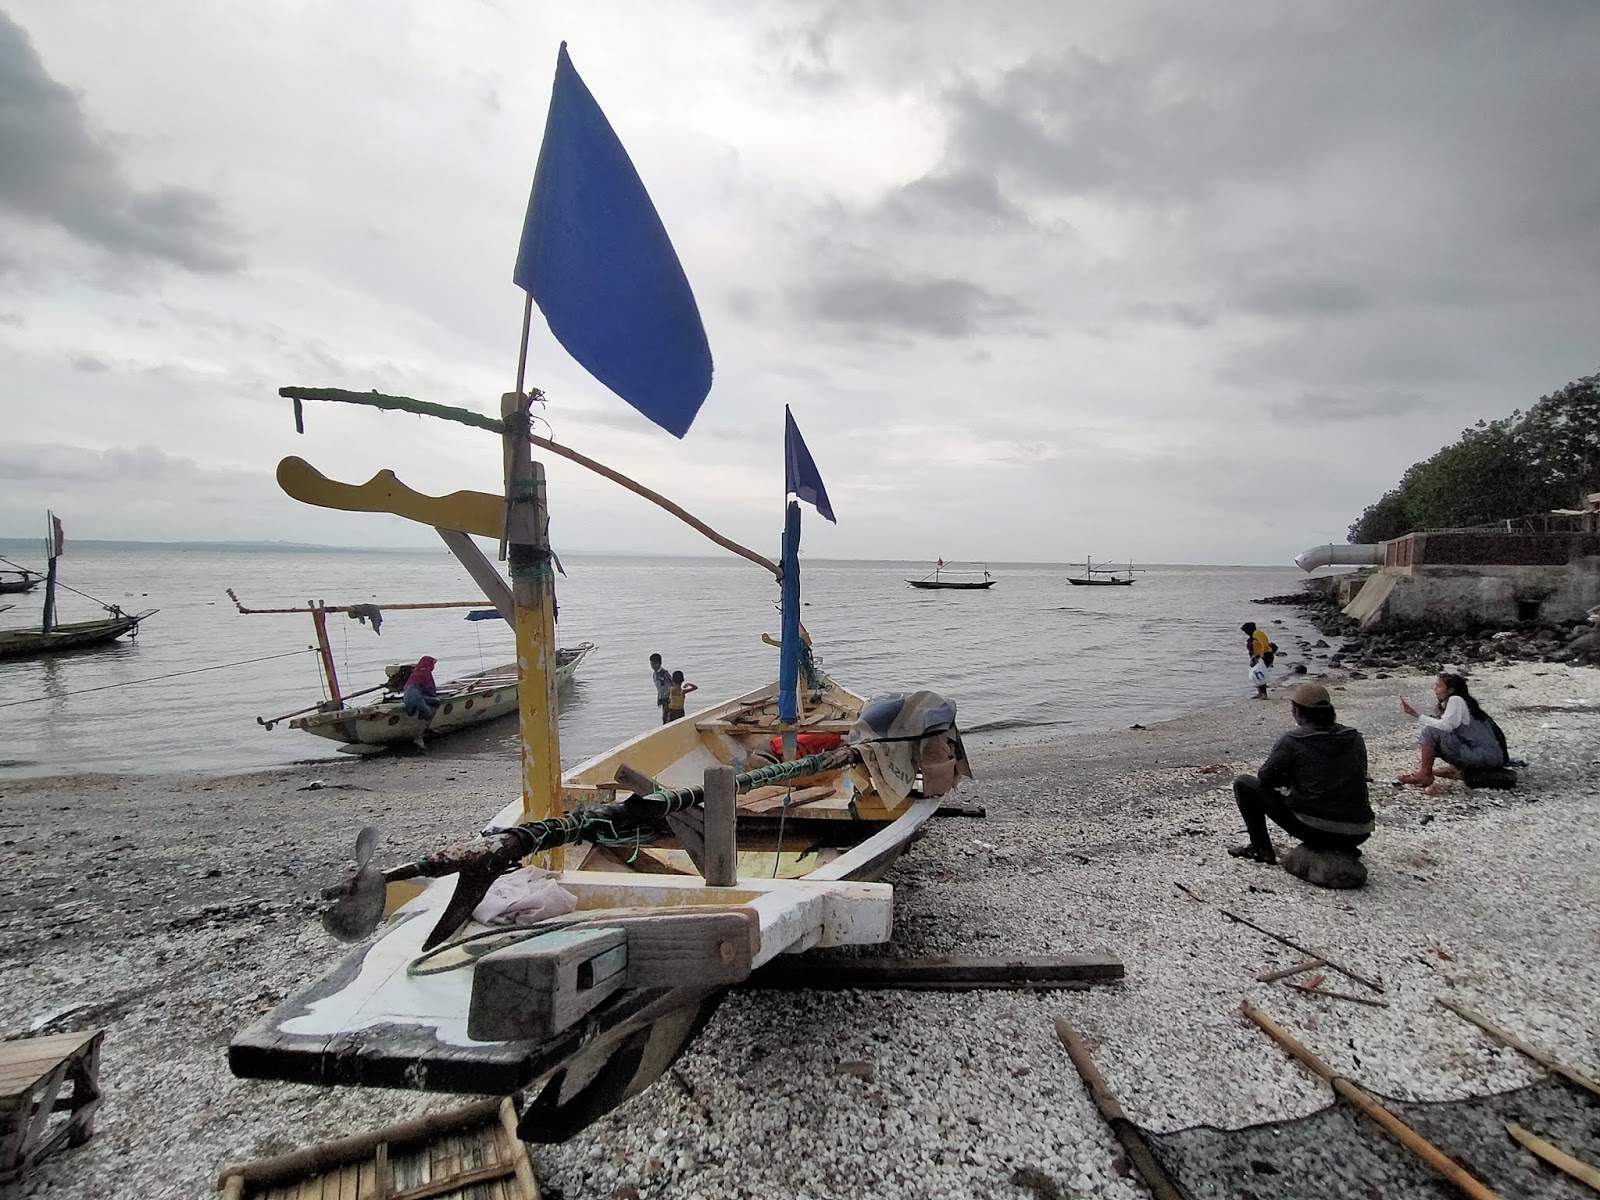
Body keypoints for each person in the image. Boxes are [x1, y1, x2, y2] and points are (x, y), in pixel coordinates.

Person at [1229, 682, 1374, 865]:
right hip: (1360, 831)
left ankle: (1261, 848)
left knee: (1243, 784)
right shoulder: (1354, 737)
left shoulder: (1293, 741)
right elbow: (1356, 773)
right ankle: (1342, 845)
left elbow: (1265, 777)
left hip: (1317, 829)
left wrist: (1290, 779)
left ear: (1297, 711)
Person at [1398, 672, 1506, 788]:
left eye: (1439, 686)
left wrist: (1417, 716)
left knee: (1430, 732)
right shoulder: (1465, 703)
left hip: (1485, 755)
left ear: (1451, 690)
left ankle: (1425, 774)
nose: (1435, 689)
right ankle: (1455, 769)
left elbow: (1446, 726)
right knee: (1434, 732)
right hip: (1491, 756)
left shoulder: (1456, 700)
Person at [402, 656, 440, 749]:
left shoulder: (415, 672)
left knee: (419, 709)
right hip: (416, 699)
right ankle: (420, 735)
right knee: (433, 706)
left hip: (406, 698)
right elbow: (431, 691)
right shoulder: (426, 673)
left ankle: (425, 727)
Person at [649, 653, 673, 724]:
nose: (653, 666)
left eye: (655, 664)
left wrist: (668, 692)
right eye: (652, 664)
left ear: (660, 663)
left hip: (668, 698)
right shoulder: (655, 674)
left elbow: (672, 684)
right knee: (664, 715)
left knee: (666, 716)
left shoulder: (664, 673)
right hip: (662, 697)